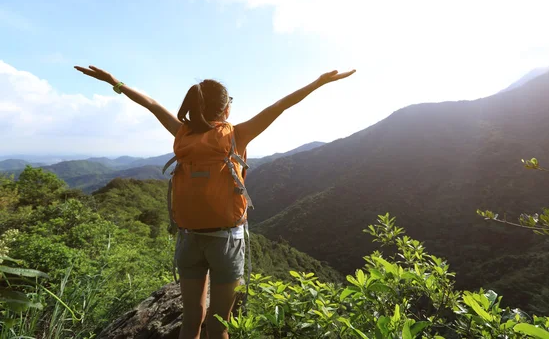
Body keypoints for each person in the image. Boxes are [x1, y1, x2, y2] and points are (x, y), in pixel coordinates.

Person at [74, 64, 355, 339]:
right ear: (225, 108)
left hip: (188, 239)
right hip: (226, 242)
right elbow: (280, 105)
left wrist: (115, 81)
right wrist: (318, 83)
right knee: (219, 324)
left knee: (191, 320)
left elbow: (151, 104)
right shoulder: (236, 135)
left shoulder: (182, 134)